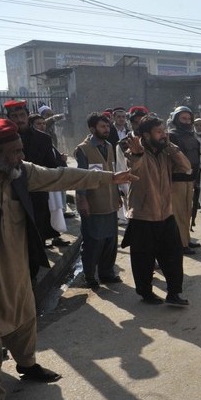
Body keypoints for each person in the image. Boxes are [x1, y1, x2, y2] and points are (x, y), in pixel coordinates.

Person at [0, 119, 136, 400]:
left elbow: (60, 176)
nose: (21, 156)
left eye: (20, 150)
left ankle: (27, 366)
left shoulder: (20, 172)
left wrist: (108, 178)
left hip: (16, 265)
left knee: (25, 319)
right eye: (15, 152)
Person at [121, 116, 191, 307]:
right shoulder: (135, 152)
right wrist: (137, 155)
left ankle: (174, 294)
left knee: (174, 256)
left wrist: (170, 146)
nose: (163, 135)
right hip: (143, 217)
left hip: (166, 215)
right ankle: (146, 293)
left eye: (164, 131)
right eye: (159, 132)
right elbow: (133, 168)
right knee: (143, 260)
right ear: (146, 134)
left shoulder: (165, 152)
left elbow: (186, 167)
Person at [4, 100, 67, 255]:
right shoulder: (3, 140)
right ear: (8, 118)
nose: (19, 119)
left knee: (37, 237)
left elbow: (51, 168)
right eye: (14, 116)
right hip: (11, 197)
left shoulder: (43, 139)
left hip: (37, 195)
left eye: (22, 115)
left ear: (27, 116)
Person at [74, 113, 123, 289]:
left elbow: (112, 172)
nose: (107, 129)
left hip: (109, 201)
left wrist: (117, 195)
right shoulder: (83, 149)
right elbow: (81, 178)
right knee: (93, 243)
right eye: (103, 127)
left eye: (108, 126)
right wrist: (82, 200)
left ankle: (107, 273)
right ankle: (89, 276)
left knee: (110, 241)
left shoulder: (109, 146)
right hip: (93, 204)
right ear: (92, 129)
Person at [167, 106, 200, 254]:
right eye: (183, 118)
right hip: (177, 180)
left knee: (187, 211)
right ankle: (181, 243)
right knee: (179, 212)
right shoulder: (172, 136)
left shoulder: (191, 135)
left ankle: (186, 239)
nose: (187, 122)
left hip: (190, 179)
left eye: (188, 119)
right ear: (176, 119)